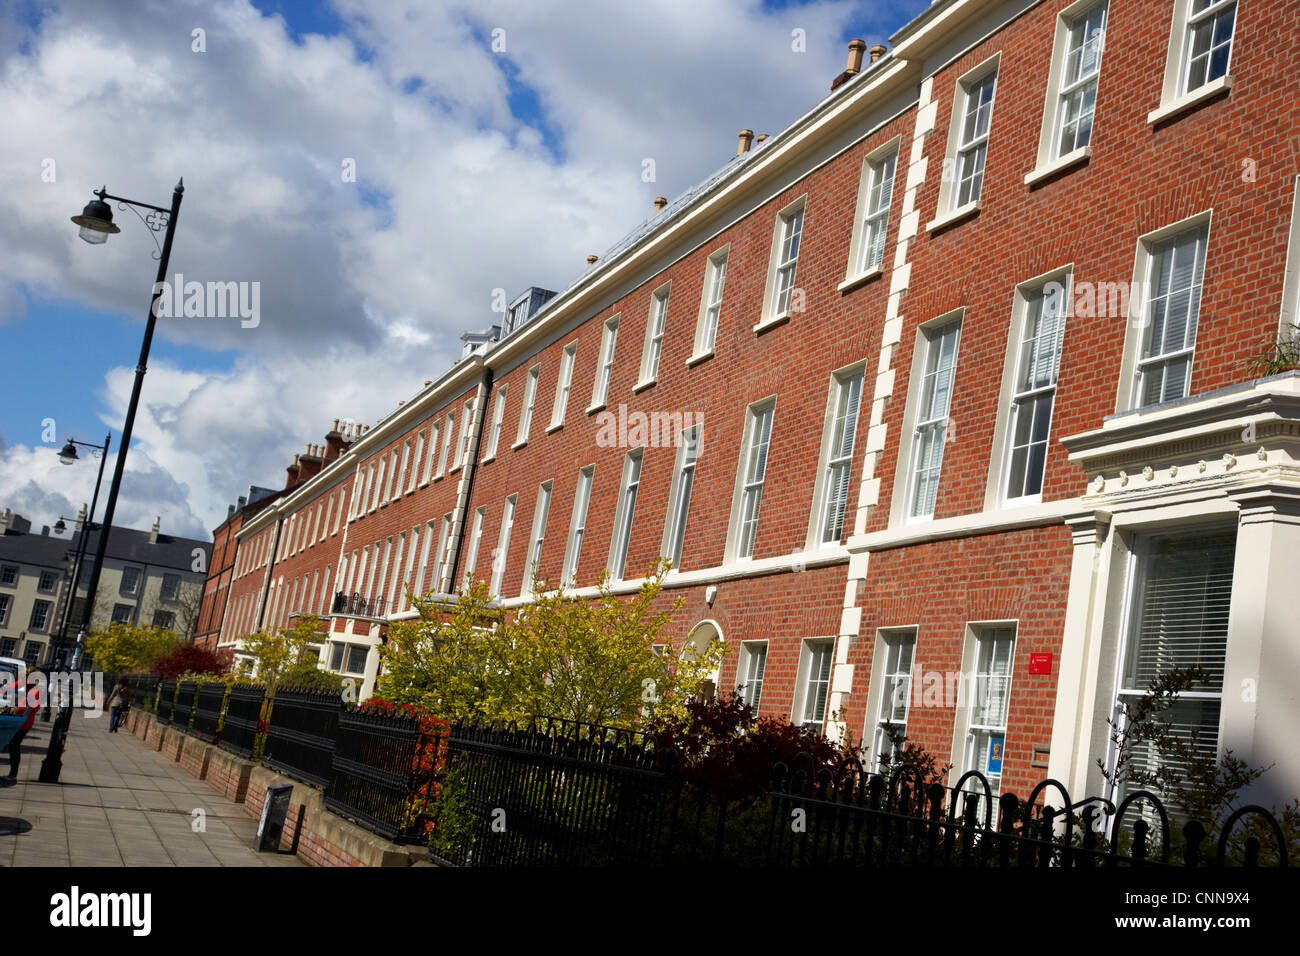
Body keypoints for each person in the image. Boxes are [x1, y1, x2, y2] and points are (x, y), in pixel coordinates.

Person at [7, 677, 40, 779]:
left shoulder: (35, 691)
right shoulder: (20, 685)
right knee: (11, 745)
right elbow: (7, 689)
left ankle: (13, 773)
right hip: (13, 720)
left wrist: (19, 709)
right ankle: (12, 773)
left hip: (24, 723)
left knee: (14, 744)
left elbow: (35, 707)